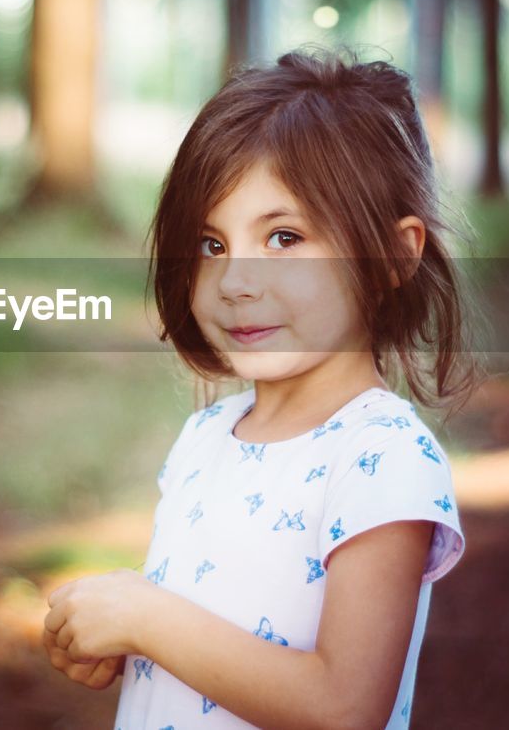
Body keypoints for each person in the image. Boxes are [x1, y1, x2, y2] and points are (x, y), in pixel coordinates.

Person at [41, 45, 485, 729]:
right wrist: (121, 639)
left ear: (394, 254)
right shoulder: (206, 436)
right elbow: (219, 639)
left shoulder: (382, 456)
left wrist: (147, 617)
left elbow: (346, 706)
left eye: (283, 236)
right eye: (212, 244)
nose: (237, 280)